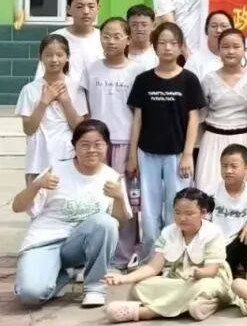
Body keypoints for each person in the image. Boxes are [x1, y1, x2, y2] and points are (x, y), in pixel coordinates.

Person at [13, 119, 129, 308]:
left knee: (105, 223)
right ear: (74, 146)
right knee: (31, 295)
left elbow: (119, 224)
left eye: (98, 144)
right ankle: (60, 276)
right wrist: (36, 185)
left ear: (107, 146)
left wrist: (119, 198)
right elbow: (17, 206)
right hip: (45, 241)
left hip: (76, 247)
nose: (92, 150)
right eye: (84, 145)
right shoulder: (55, 171)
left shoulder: (112, 178)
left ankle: (95, 288)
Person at [127, 22, 205, 260]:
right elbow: (137, 119)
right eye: (162, 43)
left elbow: (194, 119)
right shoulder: (144, 80)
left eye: (173, 43)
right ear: (155, 46)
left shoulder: (189, 80)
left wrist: (188, 154)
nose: (168, 48)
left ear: (181, 47)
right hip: (147, 153)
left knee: (178, 207)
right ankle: (150, 259)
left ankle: (176, 258)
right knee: (149, 210)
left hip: (177, 154)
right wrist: (132, 156)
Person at [104, 188, 240, 323]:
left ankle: (146, 313)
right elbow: (153, 267)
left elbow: (212, 270)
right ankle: (199, 305)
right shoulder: (168, 232)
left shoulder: (213, 233)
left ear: (203, 213)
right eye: (177, 212)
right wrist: (124, 279)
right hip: (178, 279)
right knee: (139, 286)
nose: (182, 218)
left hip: (207, 278)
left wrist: (197, 272)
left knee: (204, 287)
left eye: (189, 213)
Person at [80, 17, 139, 268]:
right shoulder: (91, 69)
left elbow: (139, 114)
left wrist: (133, 152)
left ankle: (124, 255)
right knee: (96, 196)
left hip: (125, 142)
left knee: (126, 199)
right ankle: (95, 254)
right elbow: (86, 108)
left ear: (128, 39)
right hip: (97, 144)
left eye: (117, 36)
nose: (111, 41)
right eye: (106, 36)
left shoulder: (137, 71)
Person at [195, 27, 247, 194]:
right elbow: (200, 116)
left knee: (244, 193)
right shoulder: (208, 79)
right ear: (218, 50)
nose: (231, 51)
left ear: (244, 49)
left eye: (236, 46)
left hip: (244, 140)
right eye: (225, 46)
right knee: (207, 191)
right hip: (213, 141)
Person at [19, 35, 88, 184]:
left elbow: (79, 128)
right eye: (48, 55)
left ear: (67, 57)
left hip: (67, 155)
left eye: (59, 55)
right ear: (40, 57)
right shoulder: (29, 89)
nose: (54, 59)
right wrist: (44, 101)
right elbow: (28, 129)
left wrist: (66, 101)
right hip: (38, 158)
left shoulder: (76, 87)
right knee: (36, 197)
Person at [209, 144, 247, 278]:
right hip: (219, 246)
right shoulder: (212, 190)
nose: (228, 171)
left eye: (234, 166)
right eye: (224, 166)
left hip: (242, 241)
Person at [34, 0, 102, 87]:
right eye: (79, 6)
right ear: (68, 9)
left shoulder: (104, 39)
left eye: (91, 6)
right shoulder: (56, 39)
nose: (86, 11)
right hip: (62, 94)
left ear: (98, 8)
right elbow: (42, 78)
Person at [184, 10, 233, 81]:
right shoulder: (194, 61)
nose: (219, 30)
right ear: (206, 31)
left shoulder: (241, 59)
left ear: (232, 31)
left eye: (224, 26)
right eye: (214, 26)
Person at [126, 4, 158, 73]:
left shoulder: (159, 54)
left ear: (154, 25)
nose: (139, 29)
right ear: (127, 26)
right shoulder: (120, 52)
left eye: (144, 25)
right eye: (134, 25)